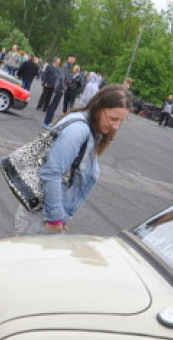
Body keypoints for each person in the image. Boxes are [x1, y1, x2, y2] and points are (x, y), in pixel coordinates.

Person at [15, 84, 133, 235]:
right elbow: (51, 172)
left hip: (46, 216)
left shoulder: (91, 130)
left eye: (120, 121)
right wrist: (55, 219)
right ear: (98, 107)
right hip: (41, 218)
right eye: (113, 119)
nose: (116, 126)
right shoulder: (77, 130)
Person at [43, 54, 77, 127]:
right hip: (59, 88)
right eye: (73, 59)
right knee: (53, 105)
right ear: (69, 58)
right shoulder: (65, 66)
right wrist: (64, 87)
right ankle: (46, 122)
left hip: (59, 88)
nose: (74, 61)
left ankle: (48, 121)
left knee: (54, 105)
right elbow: (62, 77)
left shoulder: (67, 66)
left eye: (74, 59)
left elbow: (65, 77)